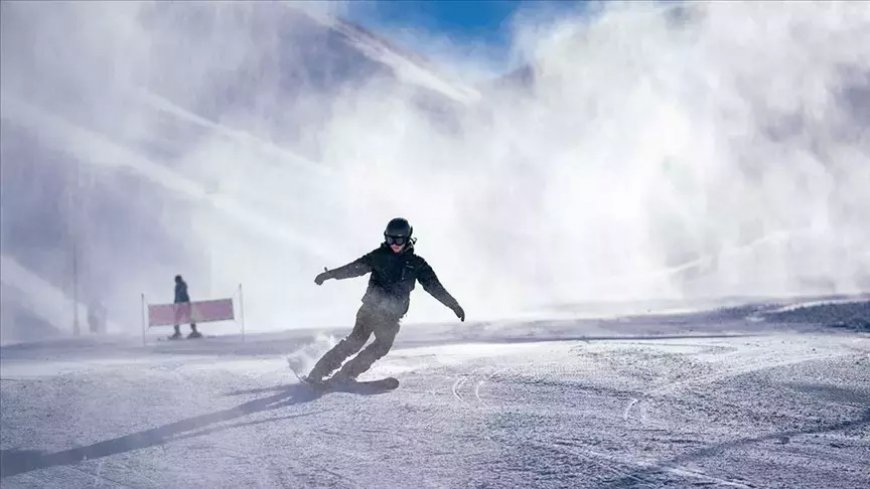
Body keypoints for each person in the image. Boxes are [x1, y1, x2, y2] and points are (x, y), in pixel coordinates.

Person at [307, 218, 465, 384]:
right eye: (390, 239)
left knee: (382, 346)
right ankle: (317, 374)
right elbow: (354, 268)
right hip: (370, 310)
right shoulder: (378, 257)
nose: (394, 244)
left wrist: (453, 304)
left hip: (391, 317)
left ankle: (347, 374)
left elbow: (434, 286)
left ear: (408, 238)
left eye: (399, 239)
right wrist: (330, 275)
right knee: (355, 342)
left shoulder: (416, 264)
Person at [171, 275, 201, 339]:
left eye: (176, 280)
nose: (176, 281)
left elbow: (181, 293)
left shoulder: (183, 284)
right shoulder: (177, 286)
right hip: (180, 305)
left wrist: (178, 301)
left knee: (189, 317)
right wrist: (175, 303)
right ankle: (177, 332)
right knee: (177, 318)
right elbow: (176, 296)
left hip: (185, 304)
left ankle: (195, 331)